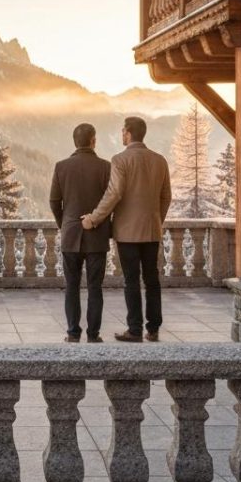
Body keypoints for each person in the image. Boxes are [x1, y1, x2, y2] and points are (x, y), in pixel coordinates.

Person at [81, 115, 171, 342]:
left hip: (127, 232)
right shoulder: (160, 160)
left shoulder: (120, 160)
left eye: (123, 131)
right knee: (152, 279)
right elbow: (166, 197)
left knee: (131, 280)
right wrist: (156, 220)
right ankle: (154, 328)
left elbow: (114, 194)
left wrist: (94, 218)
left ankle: (135, 329)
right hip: (152, 230)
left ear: (129, 133)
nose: (122, 134)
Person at [49, 122, 112, 342]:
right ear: (93, 140)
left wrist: (64, 223)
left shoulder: (61, 166)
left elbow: (54, 201)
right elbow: (111, 202)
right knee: (95, 287)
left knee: (71, 286)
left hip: (70, 235)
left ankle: (73, 333)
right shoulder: (105, 167)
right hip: (98, 235)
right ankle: (94, 334)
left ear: (74, 141)